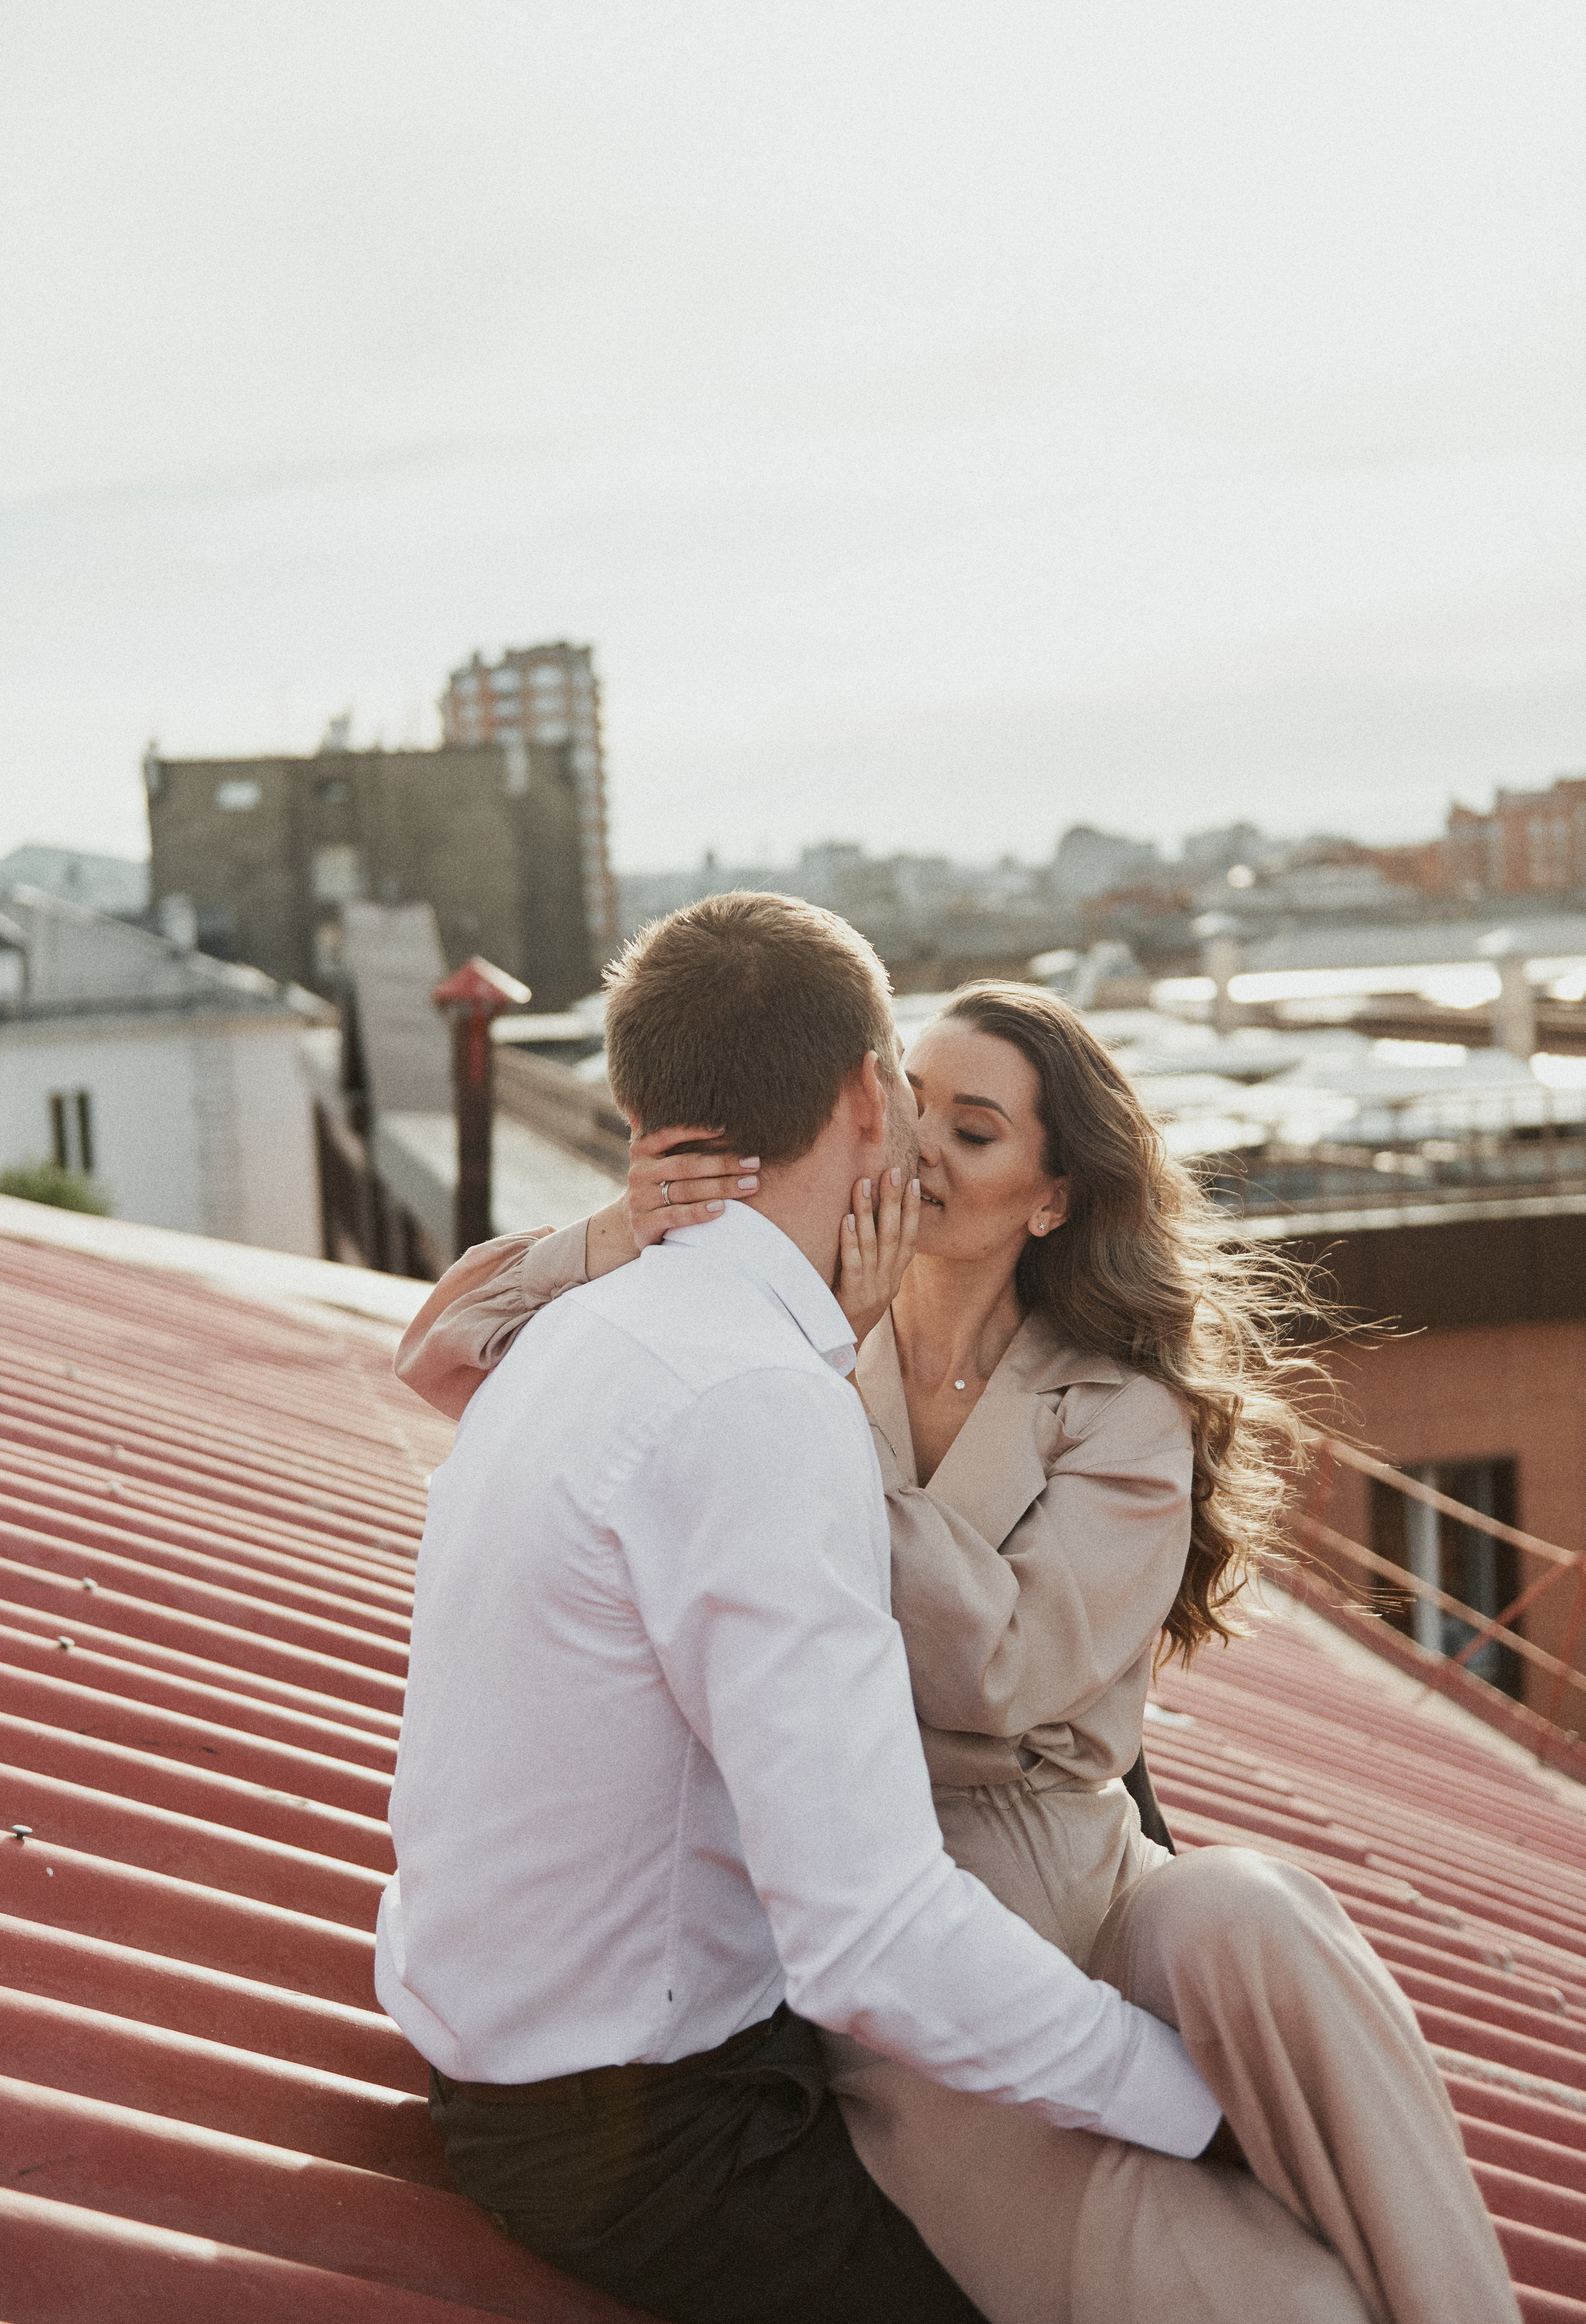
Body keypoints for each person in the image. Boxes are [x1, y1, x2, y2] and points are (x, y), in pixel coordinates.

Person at [400, 960, 1517, 2324]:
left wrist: (824, 1425)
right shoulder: (792, 1357)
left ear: (1050, 1199)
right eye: (915, 1103)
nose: (925, 1148)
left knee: (1257, 1916)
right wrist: (623, 1230)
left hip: (1086, 1866)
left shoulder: (1111, 1405)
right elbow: (450, 1357)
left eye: (974, 1132)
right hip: (925, 1887)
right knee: (1278, 2299)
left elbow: (1007, 1673)